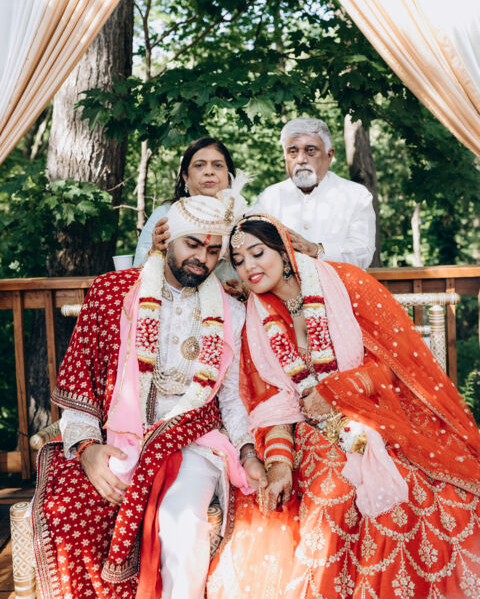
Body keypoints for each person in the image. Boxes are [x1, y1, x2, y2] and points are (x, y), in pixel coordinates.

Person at [207, 215, 480, 598]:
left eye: (257, 253)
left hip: (379, 413)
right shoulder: (255, 317)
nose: (248, 266)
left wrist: (336, 391)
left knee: (412, 490)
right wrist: (279, 462)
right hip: (309, 427)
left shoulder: (346, 282)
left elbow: (392, 364)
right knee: (333, 493)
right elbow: (272, 402)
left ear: (284, 252)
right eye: (238, 260)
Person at [32, 195, 266, 599]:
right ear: (168, 240)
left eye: (214, 250)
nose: (203, 259)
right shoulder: (113, 294)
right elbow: (80, 384)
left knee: (181, 522)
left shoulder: (233, 310)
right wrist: (87, 449)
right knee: (71, 511)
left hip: (193, 438)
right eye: (192, 244)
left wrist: (247, 451)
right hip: (119, 436)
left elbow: (231, 399)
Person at [252, 116, 376, 268]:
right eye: (293, 151)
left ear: (329, 155)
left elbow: (363, 253)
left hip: (340, 283)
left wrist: (317, 250)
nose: (301, 159)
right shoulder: (269, 198)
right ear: (285, 157)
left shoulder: (356, 195)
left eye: (310, 151)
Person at [134, 136, 236, 267]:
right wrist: (155, 253)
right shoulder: (164, 215)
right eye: (199, 165)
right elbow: (136, 273)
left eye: (218, 165)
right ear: (186, 176)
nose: (209, 171)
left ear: (229, 175)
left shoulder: (240, 219)